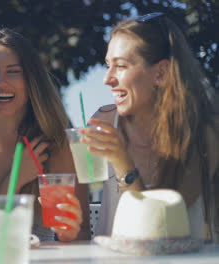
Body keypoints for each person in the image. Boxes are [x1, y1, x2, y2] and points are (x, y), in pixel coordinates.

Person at [79, 12, 219, 242]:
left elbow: (159, 231)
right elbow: (80, 217)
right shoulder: (104, 122)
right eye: (107, 65)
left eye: (121, 66)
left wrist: (122, 163)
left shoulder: (205, 132)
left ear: (160, 73)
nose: (107, 79)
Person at [0, 28, 90, 243]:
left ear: (31, 79)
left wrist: (69, 234)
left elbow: (82, 238)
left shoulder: (59, 147)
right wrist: (16, 178)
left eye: (13, 71)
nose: (0, 83)